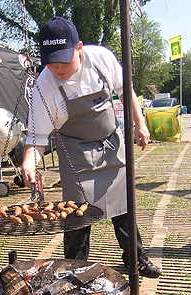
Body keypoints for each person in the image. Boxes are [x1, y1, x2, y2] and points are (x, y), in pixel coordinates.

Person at [21, 17, 162, 278]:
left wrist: (139, 123)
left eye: (63, 60)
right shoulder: (44, 85)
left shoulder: (100, 59)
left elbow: (125, 89)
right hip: (76, 157)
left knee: (124, 208)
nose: (57, 68)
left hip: (110, 145)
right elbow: (37, 137)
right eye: (51, 62)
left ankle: (136, 258)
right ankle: (72, 270)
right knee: (76, 218)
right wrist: (29, 162)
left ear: (79, 48)